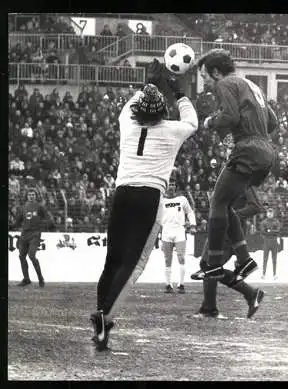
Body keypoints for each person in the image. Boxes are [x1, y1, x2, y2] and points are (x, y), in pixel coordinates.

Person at [90, 59, 198, 352]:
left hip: (122, 193)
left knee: (112, 261)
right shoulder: (172, 130)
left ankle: (102, 314)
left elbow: (131, 105)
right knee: (133, 264)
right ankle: (105, 319)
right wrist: (179, 92)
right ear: (163, 112)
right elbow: (192, 122)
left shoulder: (127, 122)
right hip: (149, 197)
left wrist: (149, 83)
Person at [190, 49, 278, 282]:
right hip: (266, 152)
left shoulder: (225, 84)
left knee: (217, 202)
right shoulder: (251, 85)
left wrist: (210, 122)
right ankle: (244, 260)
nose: (205, 80)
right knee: (226, 205)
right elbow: (273, 122)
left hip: (247, 150)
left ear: (216, 71)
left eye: (205, 75)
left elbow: (230, 117)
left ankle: (214, 264)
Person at [193, 186, 266, 319]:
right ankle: (250, 294)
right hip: (219, 227)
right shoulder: (229, 176)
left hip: (229, 232)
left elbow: (255, 206)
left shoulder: (245, 181)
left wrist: (232, 216)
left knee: (210, 266)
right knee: (206, 265)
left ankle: (209, 308)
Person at [14, 188, 54, 288]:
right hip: (24, 235)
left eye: (33, 195)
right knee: (21, 256)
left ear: (36, 196)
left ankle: (40, 278)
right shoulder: (22, 208)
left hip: (35, 235)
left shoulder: (40, 207)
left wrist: (46, 225)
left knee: (31, 255)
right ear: (27, 196)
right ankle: (26, 279)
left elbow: (48, 218)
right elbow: (17, 222)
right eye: (29, 195)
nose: (31, 196)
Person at [161, 183, 196, 294]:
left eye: (173, 184)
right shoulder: (161, 200)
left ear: (175, 186)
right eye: (169, 184)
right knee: (167, 259)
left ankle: (181, 284)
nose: (171, 187)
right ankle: (168, 284)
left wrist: (193, 225)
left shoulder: (182, 199)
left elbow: (190, 212)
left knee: (181, 257)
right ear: (166, 186)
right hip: (166, 231)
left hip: (179, 231)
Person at [260, 208, 281, 280]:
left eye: (271, 213)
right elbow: (263, 231)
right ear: (266, 214)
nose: (270, 214)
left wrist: (269, 231)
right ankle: (263, 274)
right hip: (266, 242)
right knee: (265, 259)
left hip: (274, 242)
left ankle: (274, 274)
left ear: (273, 214)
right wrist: (272, 231)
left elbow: (278, 231)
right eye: (268, 212)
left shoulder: (276, 222)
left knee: (274, 259)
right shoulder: (264, 222)